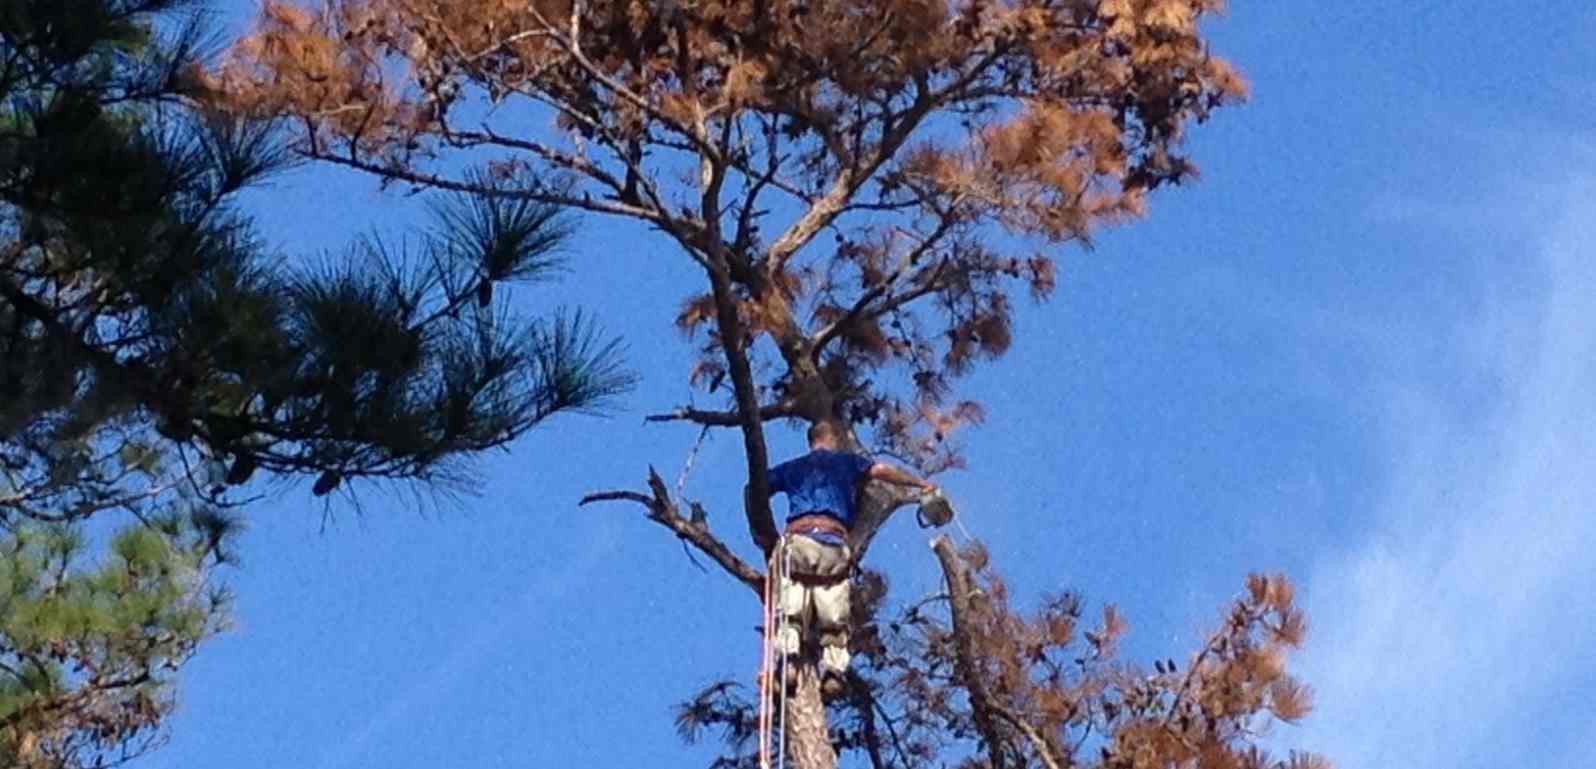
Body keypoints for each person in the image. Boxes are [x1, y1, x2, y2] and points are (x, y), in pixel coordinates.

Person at [763, 421, 935, 695]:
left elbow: (757, 486)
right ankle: (832, 671)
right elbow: (881, 470)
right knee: (833, 613)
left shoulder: (793, 467)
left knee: (792, 606)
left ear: (811, 441)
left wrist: (760, 523)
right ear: (833, 439)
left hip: (800, 540)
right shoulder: (847, 462)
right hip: (833, 543)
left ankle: (789, 663)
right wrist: (919, 483)